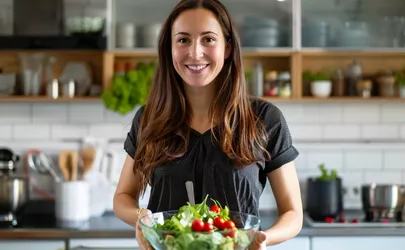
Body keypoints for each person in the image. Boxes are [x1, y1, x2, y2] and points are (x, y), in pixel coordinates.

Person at [113, 0, 303, 249]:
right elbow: (123, 197)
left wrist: (262, 238)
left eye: (208, 39)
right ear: (169, 49)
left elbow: (293, 213)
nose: (194, 53)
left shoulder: (264, 119)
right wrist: (141, 219)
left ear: (227, 47)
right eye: (182, 40)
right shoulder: (150, 119)